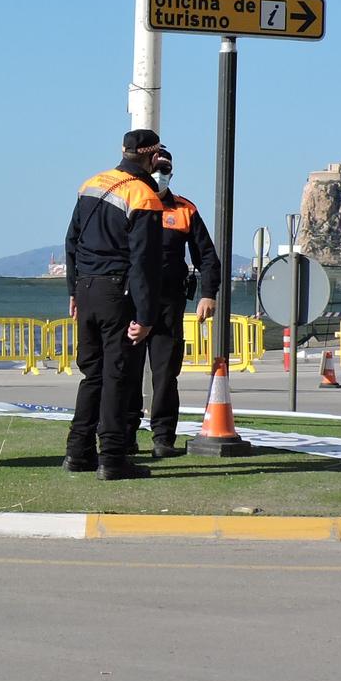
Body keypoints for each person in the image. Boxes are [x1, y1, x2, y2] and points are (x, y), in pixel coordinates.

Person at [61, 129, 167, 479]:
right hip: (117, 294)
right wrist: (146, 315)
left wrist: (73, 291)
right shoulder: (144, 195)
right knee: (117, 377)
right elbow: (144, 263)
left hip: (87, 290)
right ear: (152, 158)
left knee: (92, 375)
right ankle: (112, 457)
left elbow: (71, 241)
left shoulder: (91, 183)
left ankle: (78, 452)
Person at [143, 149, 221, 458]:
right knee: (125, 370)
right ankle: (121, 434)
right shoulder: (128, 203)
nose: (160, 173)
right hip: (131, 302)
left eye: (166, 169)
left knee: (165, 372)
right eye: (156, 167)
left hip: (168, 303)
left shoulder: (185, 209)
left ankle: (163, 438)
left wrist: (208, 294)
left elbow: (207, 257)